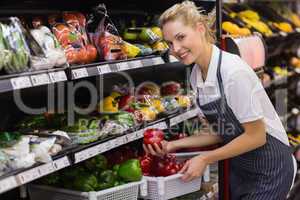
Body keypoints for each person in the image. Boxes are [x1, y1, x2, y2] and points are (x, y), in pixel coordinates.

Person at [143, 1, 297, 199]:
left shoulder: (232, 72)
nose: (176, 48)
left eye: (181, 37)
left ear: (200, 29)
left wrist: (205, 158)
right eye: (170, 43)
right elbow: (223, 132)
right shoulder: (196, 75)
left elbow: (257, 136)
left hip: (271, 168)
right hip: (242, 169)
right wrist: (171, 146)